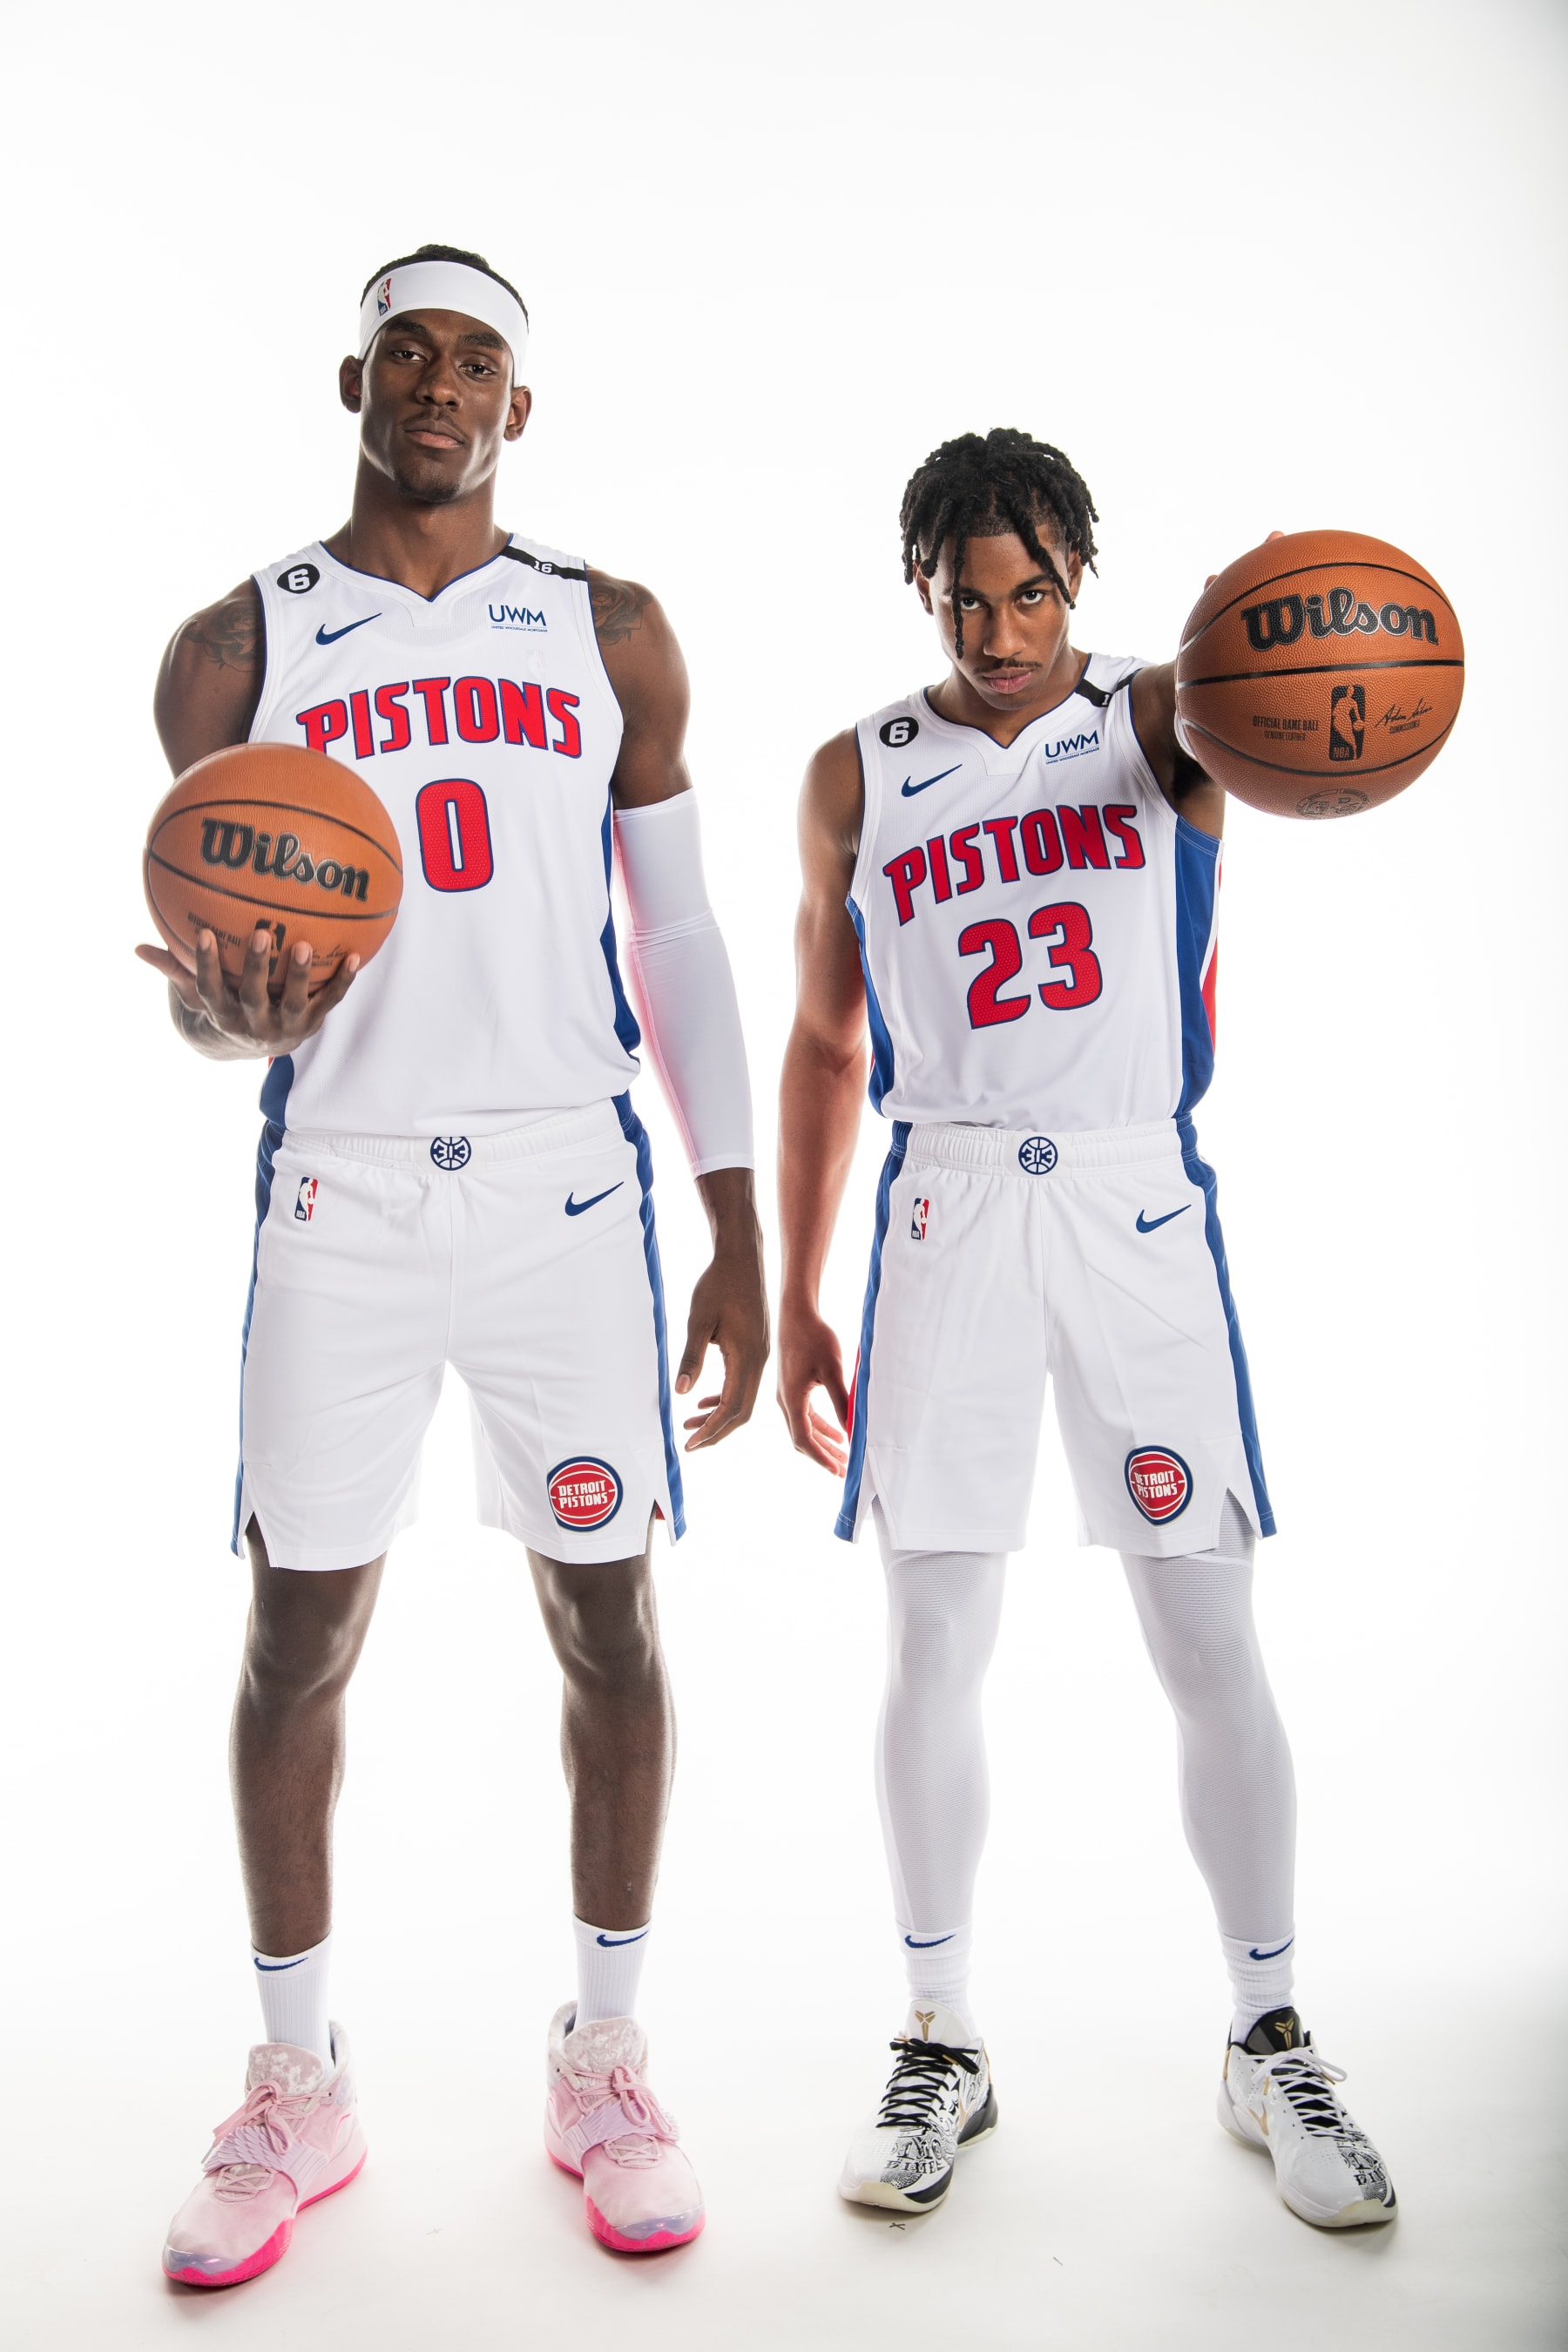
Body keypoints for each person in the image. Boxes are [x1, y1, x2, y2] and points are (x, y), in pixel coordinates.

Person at [140, 245, 767, 2285]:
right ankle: (298, 2083)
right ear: (353, 379)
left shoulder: (613, 628)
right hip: (338, 1192)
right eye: (405, 349)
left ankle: (603, 2056)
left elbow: (674, 943)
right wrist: (228, 1027)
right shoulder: (242, 646)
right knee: (298, 1637)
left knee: (608, 1622)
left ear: (521, 408)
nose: (438, 382)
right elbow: (212, 991)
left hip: (568, 1202)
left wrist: (740, 1211)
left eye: (476, 358)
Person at [776, 428, 1395, 2231]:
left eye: (1031, 587)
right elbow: (824, 1048)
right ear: (921, 589)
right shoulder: (855, 773)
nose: (999, 624)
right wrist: (802, 1292)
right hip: (943, 1209)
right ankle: (942, 2031)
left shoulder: (1168, 716)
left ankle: (1272, 2032)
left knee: (1205, 1623)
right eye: (964, 594)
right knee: (936, 1637)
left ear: (1079, 577)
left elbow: (1308, 677)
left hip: (1133, 1201)